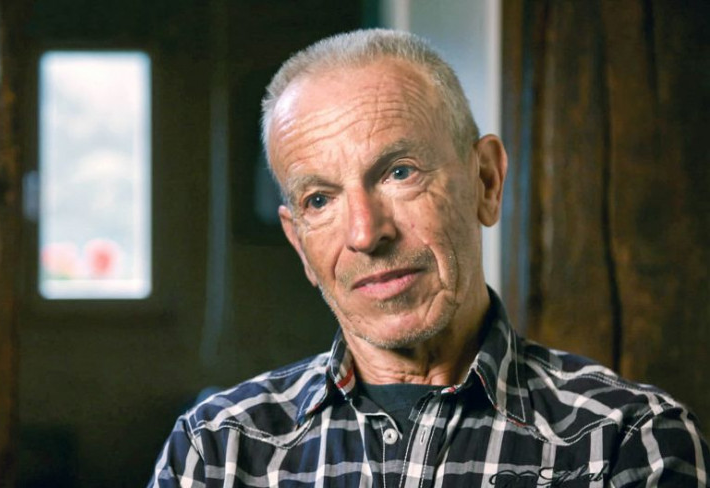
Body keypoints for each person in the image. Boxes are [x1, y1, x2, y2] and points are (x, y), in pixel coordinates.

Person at [149, 29, 709, 487]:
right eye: (319, 200)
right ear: (299, 242)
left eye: (399, 172)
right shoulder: (217, 452)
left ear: (485, 182)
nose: (366, 234)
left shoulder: (628, 444)